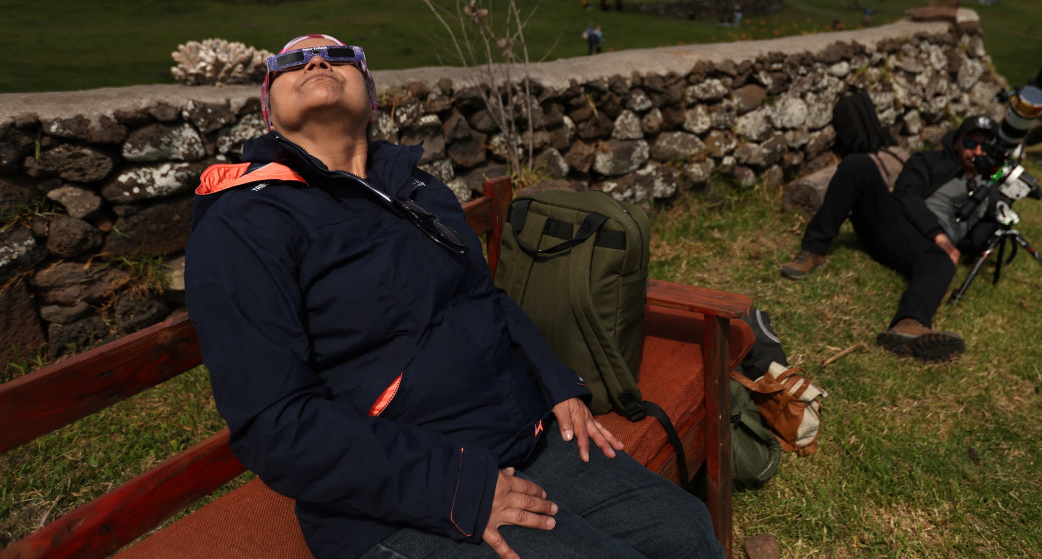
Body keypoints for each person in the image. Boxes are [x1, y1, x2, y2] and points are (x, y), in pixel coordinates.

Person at [185, 34, 720, 559]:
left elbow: (484, 298)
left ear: (370, 99)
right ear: (268, 111)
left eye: (340, 55)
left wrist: (558, 383)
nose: (318, 60)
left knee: (684, 530)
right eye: (292, 60)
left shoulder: (416, 189)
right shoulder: (245, 223)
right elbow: (274, 422)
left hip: (518, 435)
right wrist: (461, 487)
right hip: (399, 494)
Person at [780, 116, 1001, 362]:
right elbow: (907, 195)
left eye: (985, 146)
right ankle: (813, 250)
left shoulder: (991, 187)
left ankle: (909, 325)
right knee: (858, 164)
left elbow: (977, 240)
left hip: (926, 253)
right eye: (971, 142)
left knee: (944, 260)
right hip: (894, 226)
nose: (977, 151)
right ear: (958, 142)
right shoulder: (930, 161)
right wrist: (937, 235)